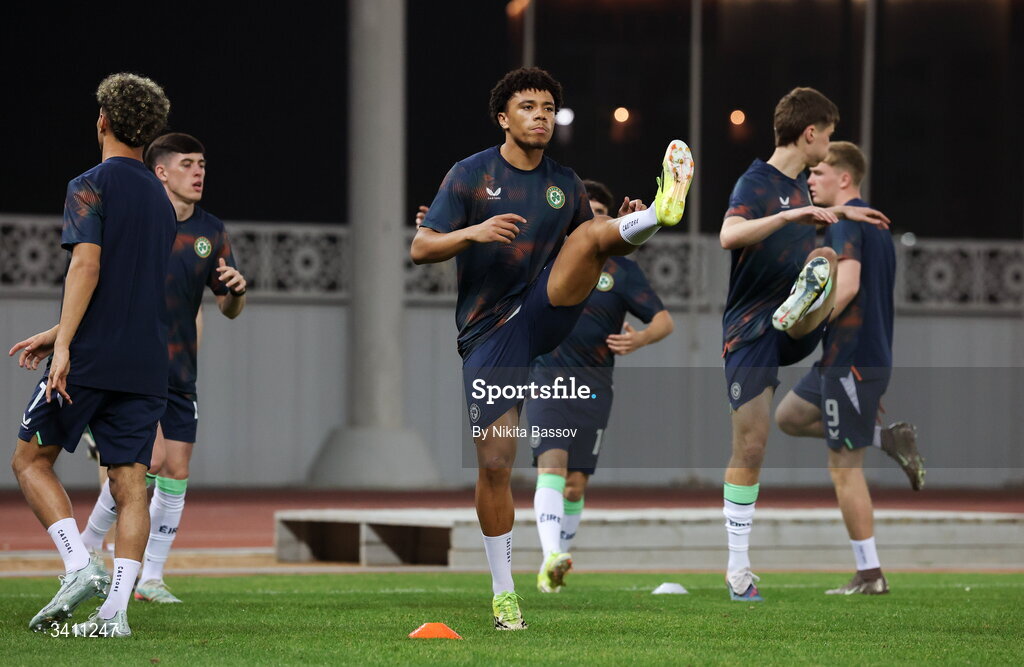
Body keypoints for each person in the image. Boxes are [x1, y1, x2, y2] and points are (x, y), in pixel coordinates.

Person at [411, 66, 693, 629]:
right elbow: (421, 247)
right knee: (495, 462)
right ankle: (503, 592)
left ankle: (660, 211)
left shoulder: (564, 181)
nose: (540, 115)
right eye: (528, 107)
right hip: (490, 333)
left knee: (593, 231)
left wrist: (626, 226)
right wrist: (472, 233)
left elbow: (589, 251)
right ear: (503, 117)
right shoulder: (470, 175)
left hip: (544, 311)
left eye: (547, 108)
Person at [9, 73, 173, 637]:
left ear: (102, 120)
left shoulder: (90, 183)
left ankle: (79, 566)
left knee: (30, 462)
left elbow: (88, 267)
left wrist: (66, 346)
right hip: (148, 360)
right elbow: (134, 284)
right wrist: (58, 330)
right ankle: (114, 617)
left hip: (93, 357)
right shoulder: (161, 196)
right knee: (130, 484)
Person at [718, 87, 889, 602]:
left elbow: (805, 226)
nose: (830, 145)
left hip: (788, 329)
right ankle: (738, 569)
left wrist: (848, 214)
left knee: (826, 265)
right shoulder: (758, 182)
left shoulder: (801, 189)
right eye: (829, 134)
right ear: (810, 133)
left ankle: (806, 301)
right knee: (752, 443)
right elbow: (730, 235)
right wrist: (791, 217)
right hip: (749, 329)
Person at [77, 133, 247, 604]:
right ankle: (90, 547)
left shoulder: (211, 231)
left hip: (180, 371)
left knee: (175, 466)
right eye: (188, 163)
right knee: (145, 461)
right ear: (161, 173)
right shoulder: (143, 221)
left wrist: (235, 290)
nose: (199, 172)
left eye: (203, 163)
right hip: (130, 365)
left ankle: (150, 577)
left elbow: (229, 308)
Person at [774, 141, 924, 595]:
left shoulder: (844, 225)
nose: (810, 180)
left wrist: (804, 321)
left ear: (844, 178)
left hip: (853, 360)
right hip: (845, 358)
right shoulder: (873, 225)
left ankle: (870, 574)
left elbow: (849, 285)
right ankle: (884, 437)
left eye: (817, 173)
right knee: (789, 417)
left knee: (844, 468)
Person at [527, 180, 674, 593]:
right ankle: (549, 557)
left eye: (599, 213)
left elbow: (664, 320)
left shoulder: (623, 271)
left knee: (576, 483)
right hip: (547, 379)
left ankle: (558, 565)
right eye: (584, 212)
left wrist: (640, 338)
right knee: (551, 469)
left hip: (595, 385)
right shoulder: (549, 258)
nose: (591, 219)